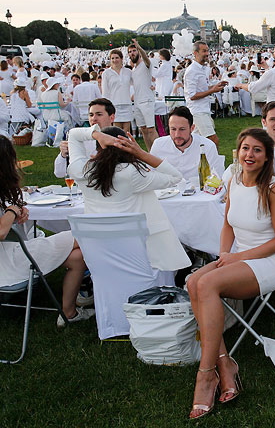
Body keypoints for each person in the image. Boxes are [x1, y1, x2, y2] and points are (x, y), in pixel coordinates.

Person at [186, 128, 275, 419]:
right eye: (245, 148)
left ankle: (206, 375)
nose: (249, 154)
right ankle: (224, 363)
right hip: (237, 259)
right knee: (193, 281)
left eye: (257, 149)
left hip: (269, 262)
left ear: (267, 155)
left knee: (205, 285)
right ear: (239, 151)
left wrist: (236, 258)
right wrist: (224, 256)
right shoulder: (232, 180)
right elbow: (228, 225)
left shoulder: (274, 189)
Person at [67, 125, 190, 277]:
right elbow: (175, 177)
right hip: (137, 254)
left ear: (98, 146)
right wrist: (140, 153)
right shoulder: (130, 173)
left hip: (100, 253)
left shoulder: (81, 170)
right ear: (128, 147)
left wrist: (95, 134)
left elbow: (73, 134)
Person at [0, 135, 94, 327]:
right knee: (86, 236)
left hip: (14, 253)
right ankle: (104, 289)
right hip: (7, 262)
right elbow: (1, 232)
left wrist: (15, 212)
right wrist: (12, 210)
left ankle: (69, 312)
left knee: (79, 256)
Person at [236, 39, 275, 135]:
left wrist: (241, 85)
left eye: (274, 50)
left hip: (274, 120)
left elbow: (253, 88)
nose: (273, 53)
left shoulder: (273, 73)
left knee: (272, 149)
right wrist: (266, 68)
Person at [150, 106, 224, 181]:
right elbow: (150, 174)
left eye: (182, 129)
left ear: (192, 128)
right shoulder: (158, 145)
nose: (177, 135)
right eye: (173, 129)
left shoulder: (208, 146)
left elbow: (217, 177)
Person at [54, 98, 115, 178]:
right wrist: (63, 155)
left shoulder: (120, 139)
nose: (94, 119)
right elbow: (59, 173)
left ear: (111, 118)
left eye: (99, 114)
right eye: (91, 115)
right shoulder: (80, 138)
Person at [184, 41, 227, 148]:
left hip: (203, 109)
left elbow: (203, 89)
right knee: (213, 141)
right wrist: (212, 90)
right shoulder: (192, 70)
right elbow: (192, 95)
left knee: (196, 144)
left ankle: (192, 163)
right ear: (195, 53)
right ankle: (215, 164)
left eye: (207, 50)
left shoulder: (203, 69)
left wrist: (215, 87)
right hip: (198, 111)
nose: (207, 53)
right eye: (204, 51)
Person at [128, 39, 159, 149]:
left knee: (151, 129)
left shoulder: (146, 65)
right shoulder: (133, 70)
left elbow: (146, 59)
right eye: (130, 52)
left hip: (147, 101)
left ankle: (159, 154)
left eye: (134, 50)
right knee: (144, 130)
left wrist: (139, 47)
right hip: (137, 102)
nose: (132, 53)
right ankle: (150, 153)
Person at [102, 49, 134, 134]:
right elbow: (105, 91)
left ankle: (127, 146)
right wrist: (107, 105)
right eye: (112, 58)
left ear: (121, 59)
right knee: (117, 131)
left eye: (117, 58)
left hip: (126, 103)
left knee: (127, 131)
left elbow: (136, 84)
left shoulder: (128, 71)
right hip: (114, 104)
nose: (115, 60)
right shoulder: (106, 73)